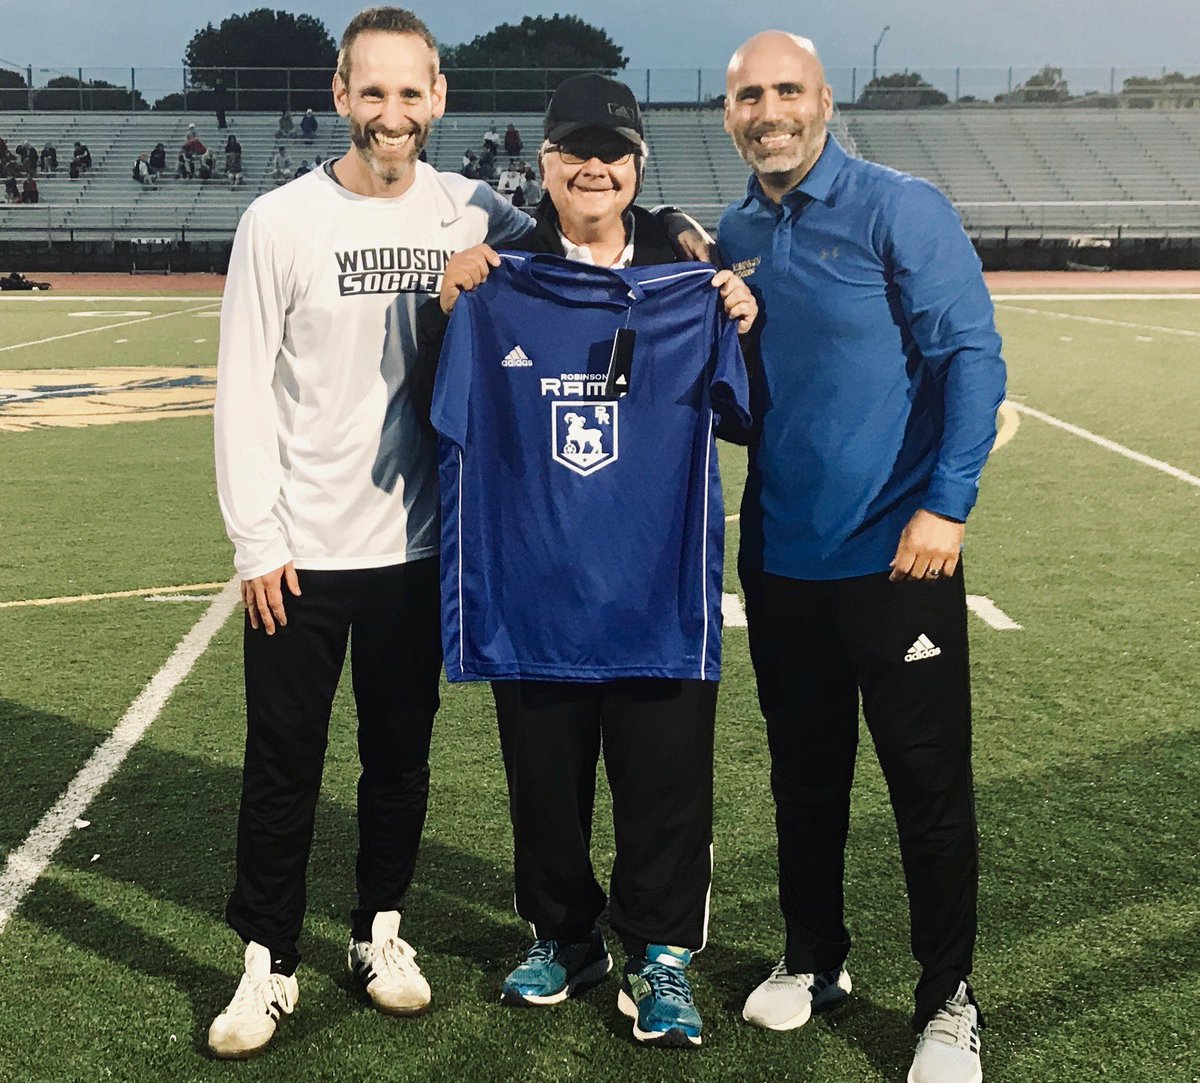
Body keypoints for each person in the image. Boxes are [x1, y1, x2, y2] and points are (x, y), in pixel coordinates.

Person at [207, 5, 536, 1060]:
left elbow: (590, 249)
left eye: (412, 93)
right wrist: (257, 540)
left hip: (420, 549)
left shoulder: (475, 209)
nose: (392, 114)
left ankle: (378, 932)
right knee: (283, 762)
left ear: (439, 100)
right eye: (373, 92)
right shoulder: (280, 221)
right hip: (301, 553)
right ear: (341, 96)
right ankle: (267, 962)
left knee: (399, 757)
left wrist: (698, 259)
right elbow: (242, 391)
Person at [429, 73, 757, 1051]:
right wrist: (455, 305)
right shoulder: (500, 279)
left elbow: (744, 413)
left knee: (665, 784)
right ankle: (565, 937)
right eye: (575, 150)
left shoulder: (688, 274)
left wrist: (735, 304)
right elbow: (440, 418)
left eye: (612, 152)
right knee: (544, 787)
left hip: (659, 592)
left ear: (638, 166)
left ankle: (661, 957)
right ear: (544, 165)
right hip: (534, 589)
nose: (595, 167)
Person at [718, 31, 1005, 1083]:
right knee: (805, 777)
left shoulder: (900, 206)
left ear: (823, 101)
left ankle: (949, 1001)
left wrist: (948, 507)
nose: (769, 110)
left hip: (900, 562)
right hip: (783, 558)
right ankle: (815, 956)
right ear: (729, 114)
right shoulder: (739, 229)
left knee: (926, 787)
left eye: (787, 90)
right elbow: (751, 405)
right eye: (750, 95)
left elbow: (971, 353)